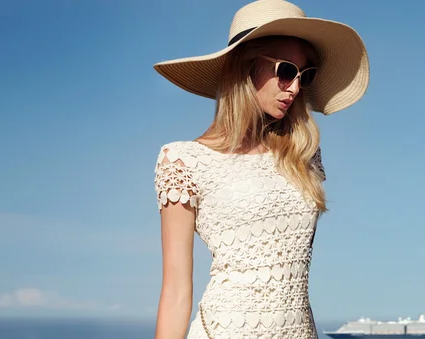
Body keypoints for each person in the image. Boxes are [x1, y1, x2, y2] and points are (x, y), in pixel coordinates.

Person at [152, 1, 369, 338]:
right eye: (285, 71)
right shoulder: (183, 161)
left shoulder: (302, 154)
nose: (295, 88)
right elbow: (177, 291)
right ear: (246, 67)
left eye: (304, 75)